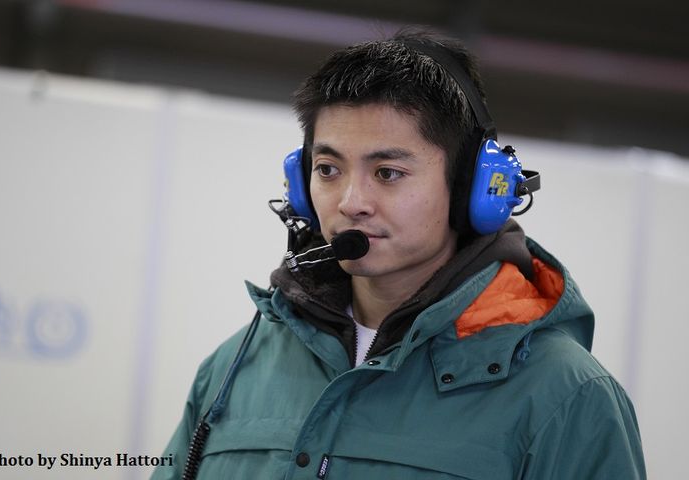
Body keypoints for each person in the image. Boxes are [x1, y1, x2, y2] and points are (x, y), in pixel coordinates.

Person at [152, 29, 646, 479]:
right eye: (328, 170)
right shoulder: (234, 367)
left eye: (387, 173)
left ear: (470, 187)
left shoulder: (567, 397)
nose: (351, 203)